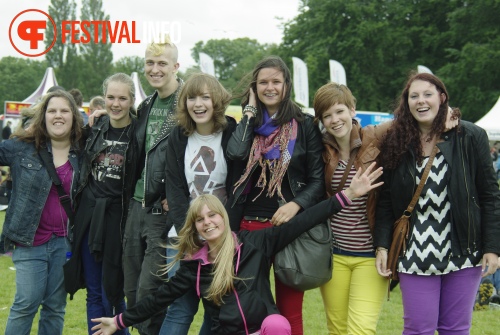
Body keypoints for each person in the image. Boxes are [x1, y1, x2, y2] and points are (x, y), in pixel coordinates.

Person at [91, 165, 383, 335]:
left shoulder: (254, 244)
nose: (207, 223)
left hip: (263, 330)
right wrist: (119, 321)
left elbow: (304, 221)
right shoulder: (195, 268)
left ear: (223, 216)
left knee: (279, 324)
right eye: (200, 220)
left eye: (212, 215)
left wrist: (348, 195)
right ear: (195, 229)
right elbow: (158, 298)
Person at [374, 72, 500, 334]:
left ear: (442, 98)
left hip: (464, 249)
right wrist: (382, 245)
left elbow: (489, 195)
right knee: (418, 328)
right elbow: (386, 201)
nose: (421, 101)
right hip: (413, 251)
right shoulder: (396, 141)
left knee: (455, 329)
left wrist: (492, 247)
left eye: (428, 94)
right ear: (406, 103)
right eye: (414, 96)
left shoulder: (470, 136)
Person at [89, 35, 184, 335]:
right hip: (135, 206)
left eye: (162, 63)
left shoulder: (187, 103)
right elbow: (129, 134)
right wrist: (106, 117)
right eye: (150, 63)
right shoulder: (145, 106)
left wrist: (180, 194)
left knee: (148, 291)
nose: (155, 69)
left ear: (175, 66)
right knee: (131, 289)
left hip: (163, 211)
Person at [226, 56, 325, 335]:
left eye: (276, 82)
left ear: (286, 85)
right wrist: (248, 113)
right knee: (249, 309)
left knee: (290, 313)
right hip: (248, 229)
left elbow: (317, 181)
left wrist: (296, 204)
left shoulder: (304, 125)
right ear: (254, 87)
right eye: (263, 82)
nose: (270, 87)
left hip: (288, 229)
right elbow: (235, 153)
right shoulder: (246, 124)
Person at [0, 90, 83, 335]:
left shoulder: (84, 150)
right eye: (52, 110)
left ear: (74, 116)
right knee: (26, 304)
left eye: (64, 110)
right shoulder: (21, 148)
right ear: (43, 116)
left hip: (66, 243)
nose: (58, 116)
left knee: (55, 307)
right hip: (29, 240)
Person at [160, 73, 236, 334]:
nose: (198, 103)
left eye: (205, 96)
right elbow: (175, 189)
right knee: (181, 309)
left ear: (216, 101)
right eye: (191, 97)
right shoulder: (178, 137)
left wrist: (225, 235)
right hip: (183, 237)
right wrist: (188, 234)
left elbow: (238, 190)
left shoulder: (233, 133)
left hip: (221, 240)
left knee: (217, 311)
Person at [312, 82, 390, 334]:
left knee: (361, 329)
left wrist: (449, 113)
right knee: (337, 328)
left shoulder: (375, 136)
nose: (335, 120)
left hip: (369, 254)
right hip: (333, 254)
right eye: (327, 115)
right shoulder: (320, 147)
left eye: (339, 111)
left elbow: (413, 119)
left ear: (352, 109)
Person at [66, 73, 137, 335]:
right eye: (110, 97)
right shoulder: (93, 129)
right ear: (103, 97)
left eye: (122, 98)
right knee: (95, 292)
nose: (115, 103)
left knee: (114, 291)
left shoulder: (139, 132)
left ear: (132, 100)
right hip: (89, 216)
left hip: (120, 220)